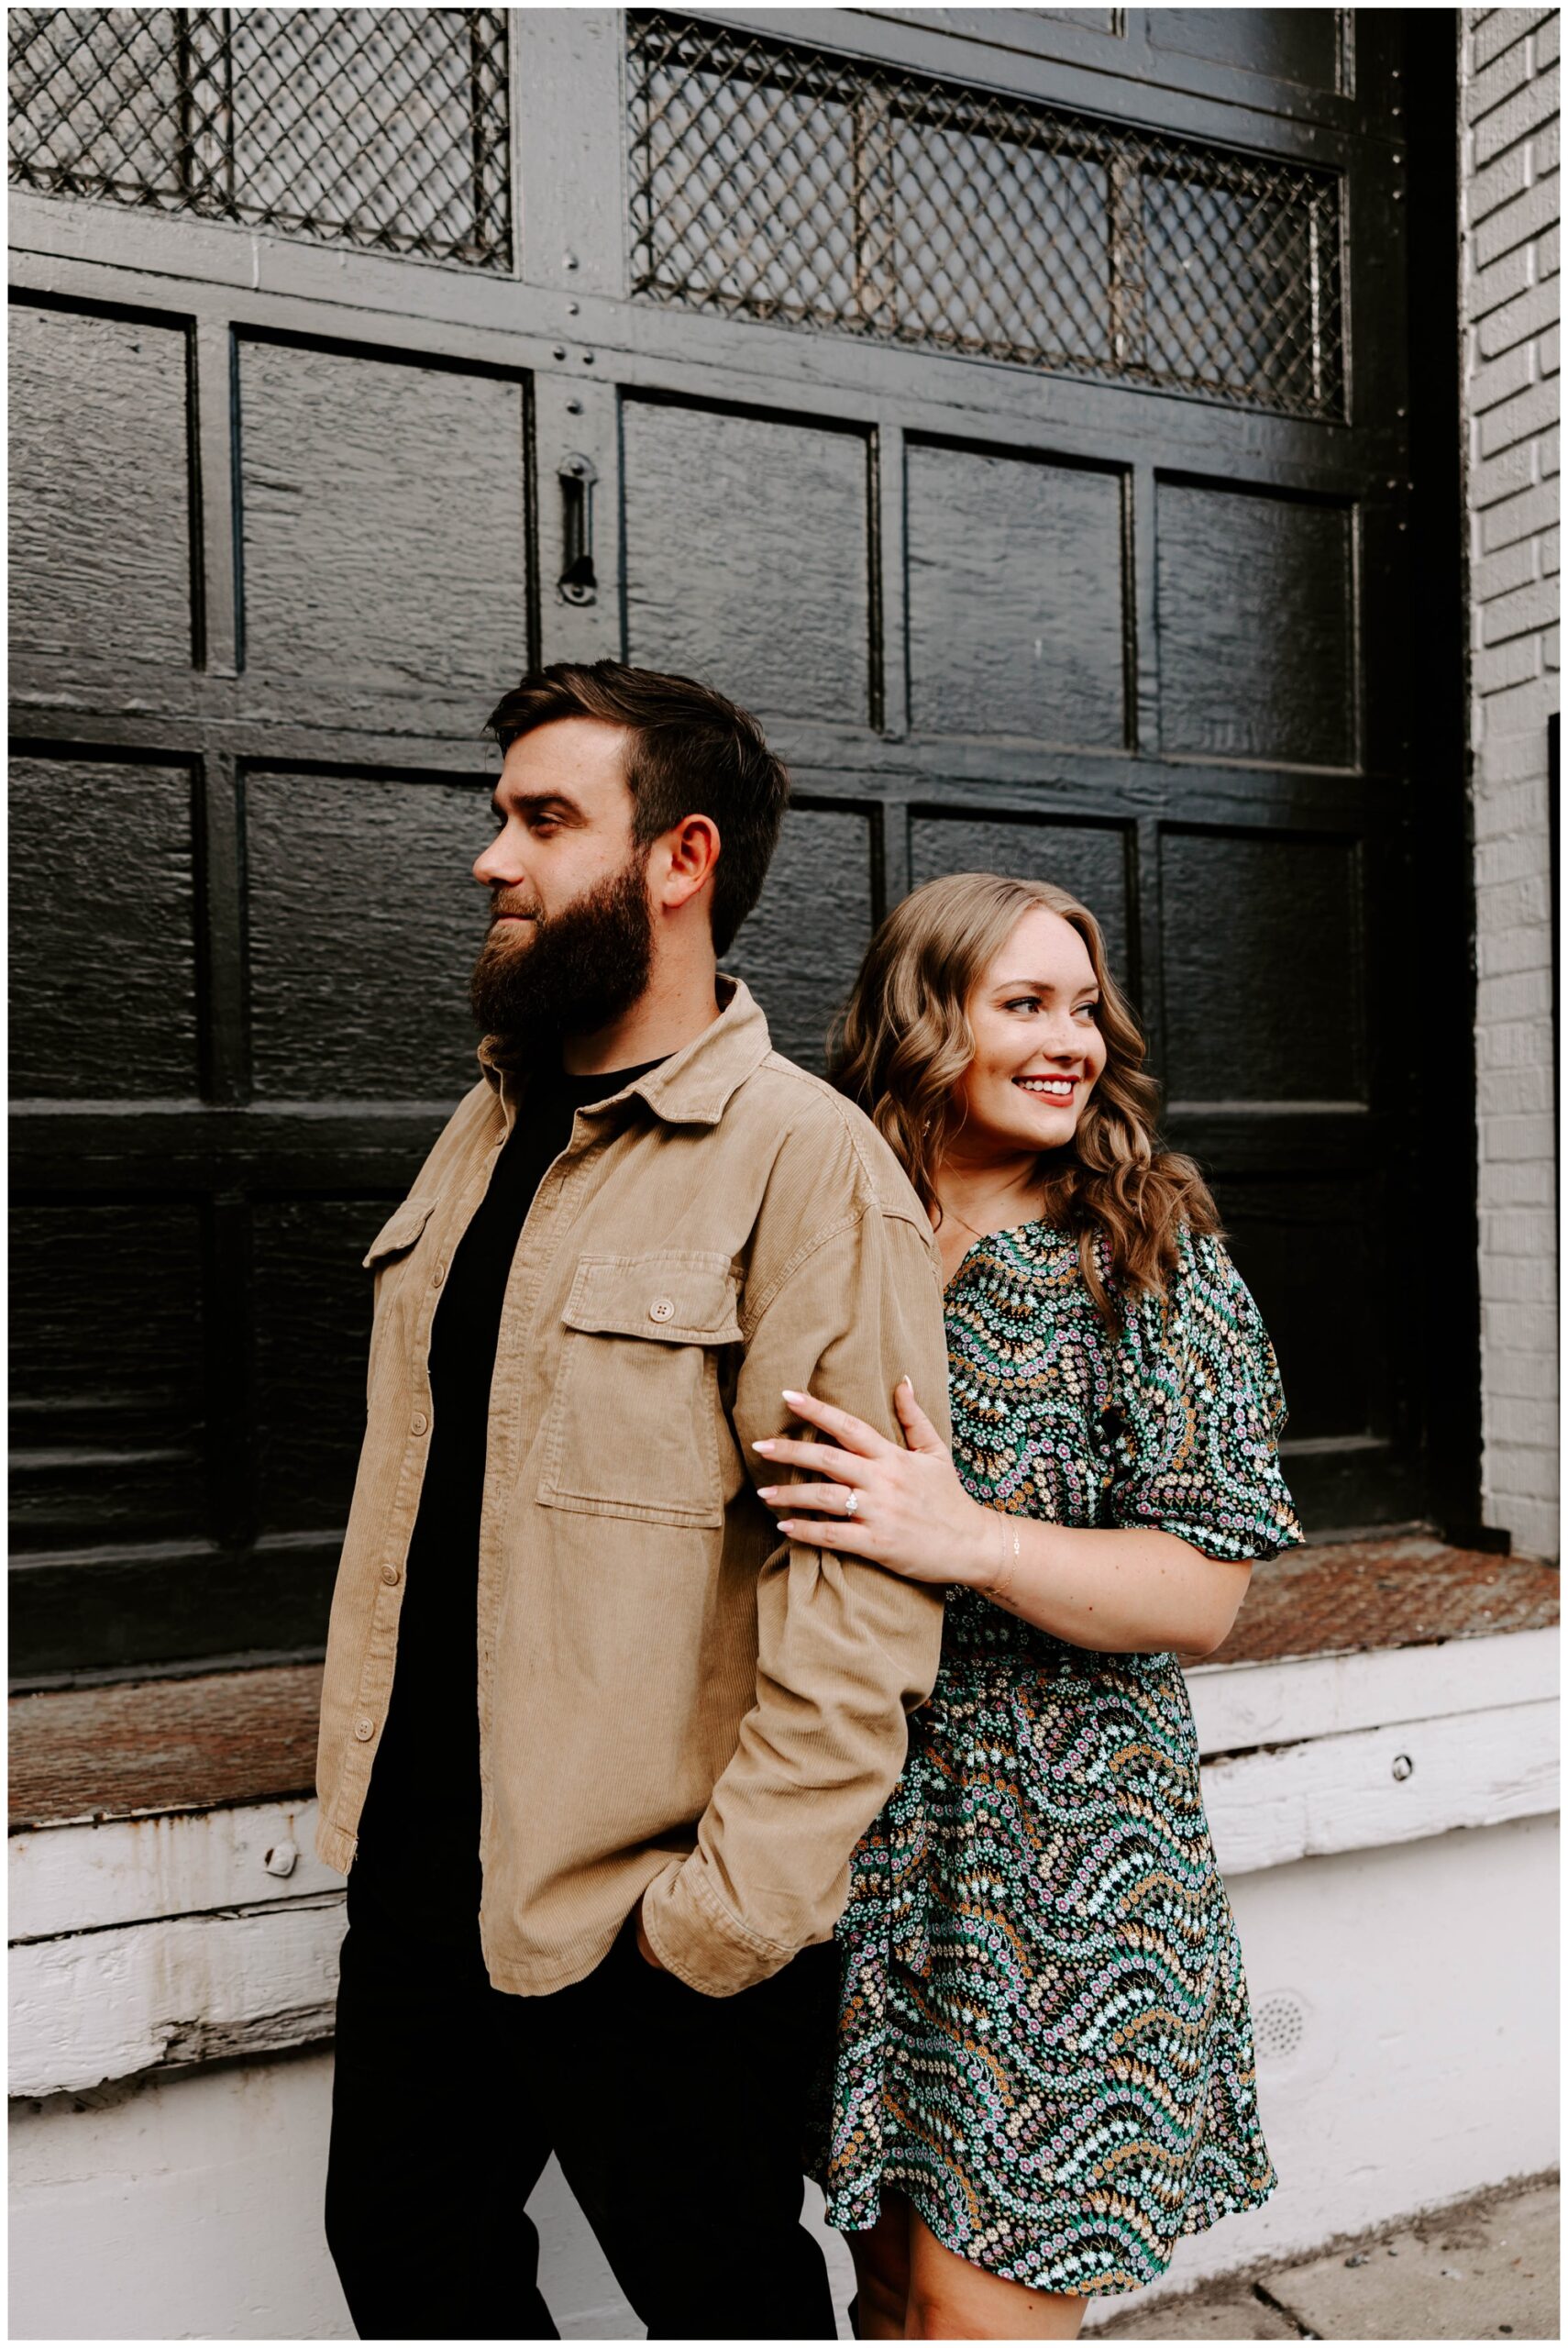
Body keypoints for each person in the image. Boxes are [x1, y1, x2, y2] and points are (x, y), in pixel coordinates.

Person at [315, 660, 951, 2342]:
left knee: (724, 2301)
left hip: (641, 1905)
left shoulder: (803, 1164)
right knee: (407, 2255)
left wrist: (724, 1918)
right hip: (428, 1863)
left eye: (541, 820)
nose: (491, 861)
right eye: (498, 817)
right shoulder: (490, 1118)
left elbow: (862, 1593)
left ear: (678, 857)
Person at [749, 872, 1303, 2341]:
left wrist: (968, 1538)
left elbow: (1205, 1591)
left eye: (1083, 1007)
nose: (1071, 1041)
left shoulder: (1144, 1256)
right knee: (878, 2283)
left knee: (968, 2314)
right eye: (1023, 1005)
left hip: (1061, 1863)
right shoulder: (825, 1224)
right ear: (924, 1022)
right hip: (844, 1835)